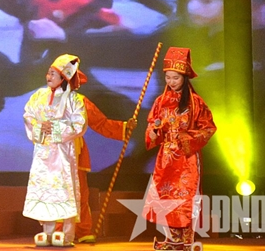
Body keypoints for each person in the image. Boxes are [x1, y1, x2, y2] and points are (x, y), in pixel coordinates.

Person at [143, 47, 216, 250]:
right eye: (168, 77)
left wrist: (187, 138)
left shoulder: (196, 103)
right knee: (165, 196)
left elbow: (209, 128)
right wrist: (154, 132)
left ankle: (186, 240)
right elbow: (152, 126)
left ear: (185, 77)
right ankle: (172, 239)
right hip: (166, 157)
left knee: (185, 197)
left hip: (186, 158)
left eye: (175, 78)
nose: (171, 81)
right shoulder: (160, 102)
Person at [23, 54, 88, 247]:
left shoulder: (73, 99)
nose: (48, 76)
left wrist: (56, 128)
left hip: (62, 152)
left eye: (53, 73)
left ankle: (67, 234)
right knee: (44, 189)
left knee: (64, 189)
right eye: (48, 72)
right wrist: (39, 126)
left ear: (63, 77)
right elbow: (28, 115)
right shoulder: (39, 96)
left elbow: (79, 124)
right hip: (43, 151)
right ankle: (48, 232)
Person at [73, 96, 136, 243]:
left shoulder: (79, 100)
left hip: (74, 152)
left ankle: (82, 231)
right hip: (50, 155)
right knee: (54, 193)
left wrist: (124, 128)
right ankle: (56, 231)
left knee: (79, 192)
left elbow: (100, 122)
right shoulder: (41, 98)